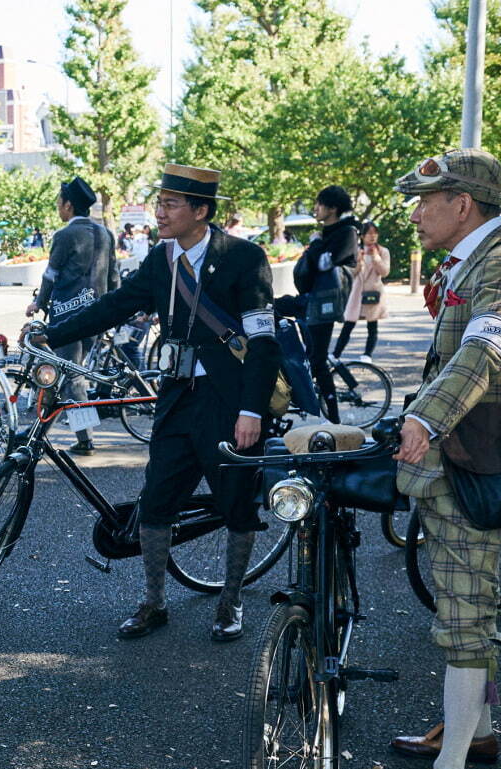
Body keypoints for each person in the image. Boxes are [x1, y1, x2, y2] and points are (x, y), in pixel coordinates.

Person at [30, 164, 281, 643]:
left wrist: (252, 410)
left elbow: (264, 341)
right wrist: (51, 334)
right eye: (159, 203)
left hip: (229, 402)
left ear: (201, 211)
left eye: (170, 205)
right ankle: (153, 601)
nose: (158, 213)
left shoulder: (244, 258)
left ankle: (231, 600)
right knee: (157, 501)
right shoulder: (162, 260)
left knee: (236, 503)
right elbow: (115, 305)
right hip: (176, 396)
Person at [388, 148, 501, 769]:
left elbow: (483, 348)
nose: (416, 213)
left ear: (463, 205)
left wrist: (426, 414)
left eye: (427, 201)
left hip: (475, 462)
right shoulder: (482, 256)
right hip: (470, 456)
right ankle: (474, 729)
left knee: (462, 614)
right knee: (471, 600)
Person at [26, 176, 119, 454]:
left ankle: (85, 438)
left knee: (73, 377)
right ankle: (36, 432)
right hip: (98, 315)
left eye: (59, 202)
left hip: (68, 317)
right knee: (59, 375)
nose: (58, 206)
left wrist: (38, 303)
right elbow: (113, 275)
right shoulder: (105, 234)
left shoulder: (65, 235)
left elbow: (51, 275)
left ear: (68, 205)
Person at [286, 185, 358, 422]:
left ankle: (332, 416)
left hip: (326, 304)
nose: (315, 209)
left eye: (319, 204)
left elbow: (325, 263)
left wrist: (315, 244)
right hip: (312, 300)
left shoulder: (346, 232)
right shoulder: (327, 234)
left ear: (333, 208)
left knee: (317, 360)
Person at [334, 221, 390, 362]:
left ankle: (367, 355)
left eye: (375, 233)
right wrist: (358, 263)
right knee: (349, 324)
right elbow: (349, 273)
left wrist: (376, 257)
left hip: (374, 292)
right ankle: (335, 354)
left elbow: (384, 272)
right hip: (357, 293)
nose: (372, 236)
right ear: (362, 236)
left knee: (372, 325)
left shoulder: (383, 251)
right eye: (369, 233)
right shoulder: (355, 251)